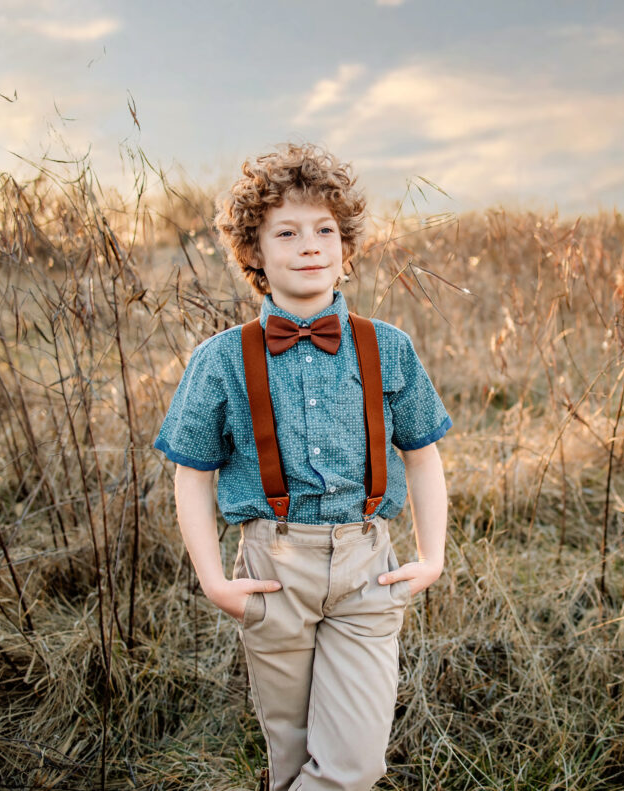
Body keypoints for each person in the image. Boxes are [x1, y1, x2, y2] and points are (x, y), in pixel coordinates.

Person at [153, 143, 451, 791]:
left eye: (325, 230)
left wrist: (432, 556)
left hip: (367, 566)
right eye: (286, 231)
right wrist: (212, 579)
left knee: (353, 764)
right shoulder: (222, 358)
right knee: (289, 757)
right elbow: (191, 473)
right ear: (254, 251)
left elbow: (422, 452)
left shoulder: (388, 347)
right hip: (271, 566)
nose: (310, 245)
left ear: (345, 247)